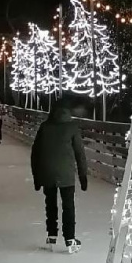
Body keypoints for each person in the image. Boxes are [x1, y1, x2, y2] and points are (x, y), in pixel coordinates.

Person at [30, 99, 88, 254]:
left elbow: (35, 153)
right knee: (68, 205)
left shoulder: (45, 127)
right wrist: (83, 177)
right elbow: (80, 154)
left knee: (50, 204)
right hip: (66, 173)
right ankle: (70, 238)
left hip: (47, 172)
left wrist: (36, 177)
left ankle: (52, 236)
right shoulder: (72, 127)